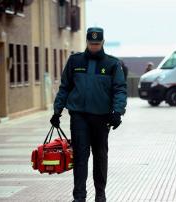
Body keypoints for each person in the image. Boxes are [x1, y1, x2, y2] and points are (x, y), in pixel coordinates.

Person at [50, 27, 127, 202]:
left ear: (103, 43)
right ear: (86, 42)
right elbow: (65, 87)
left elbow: (120, 90)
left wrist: (118, 111)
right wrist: (57, 111)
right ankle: (79, 197)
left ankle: (100, 194)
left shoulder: (112, 64)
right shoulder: (74, 61)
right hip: (79, 118)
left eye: (97, 44)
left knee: (100, 157)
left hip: (101, 118)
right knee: (80, 157)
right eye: (91, 44)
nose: (94, 47)